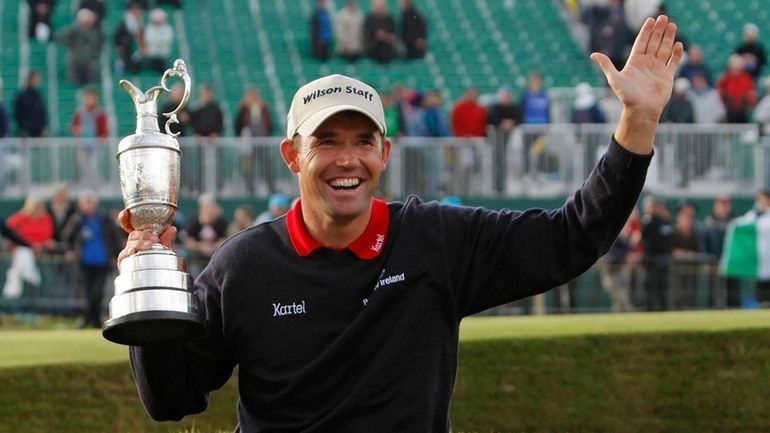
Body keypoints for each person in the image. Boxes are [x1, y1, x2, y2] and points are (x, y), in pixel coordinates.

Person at [118, 16, 682, 431]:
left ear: (384, 152)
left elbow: (571, 237)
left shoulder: (435, 240)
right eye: (328, 142)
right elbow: (172, 399)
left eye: (363, 141)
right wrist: (147, 294)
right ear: (292, 155)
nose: (348, 160)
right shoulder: (243, 267)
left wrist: (638, 119)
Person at [62, 191, 122, 328]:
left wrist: (115, 255)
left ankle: (92, 318)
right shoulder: (77, 220)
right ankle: (91, 318)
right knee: (87, 293)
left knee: (98, 292)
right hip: (84, 262)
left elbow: (115, 238)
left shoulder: (104, 219)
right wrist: (69, 251)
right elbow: (67, 238)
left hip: (102, 262)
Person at [235, 88, 274, 194]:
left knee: (266, 166)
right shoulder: (243, 110)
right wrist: (242, 108)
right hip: (248, 144)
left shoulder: (263, 108)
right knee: (248, 168)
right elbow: (238, 126)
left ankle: (271, 188)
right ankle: (249, 189)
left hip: (261, 143)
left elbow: (270, 125)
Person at [641, 195, 674, 311]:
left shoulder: (665, 221)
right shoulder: (647, 221)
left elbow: (669, 238)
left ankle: (663, 309)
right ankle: (649, 310)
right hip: (650, 259)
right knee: (650, 286)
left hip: (663, 258)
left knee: (663, 286)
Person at [71, 87, 109, 188]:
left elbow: (103, 129)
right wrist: (77, 129)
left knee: (93, 166)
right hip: (82, 142)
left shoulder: (100, 112)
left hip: (94, 143)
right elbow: (73, 126)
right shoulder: (80, 111)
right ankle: (83, 186)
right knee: (82, 165)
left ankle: (94, 186)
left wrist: (102, 137)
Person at [54, 8, 102, 86]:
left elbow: (96, 47)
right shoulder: (73, 30)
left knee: (91, 87)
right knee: (73, 86)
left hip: (89, 65)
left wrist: (94, 58)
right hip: (74, 64)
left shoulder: (93, 32)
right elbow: (59, 36)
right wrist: (77, 26)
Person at [715, 54, 756, 123]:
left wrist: (747, 102)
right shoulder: (724, 77)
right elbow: (719, 92)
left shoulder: (747, 78)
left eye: (738, 66)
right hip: (728, 109)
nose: (736, 68)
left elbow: (751, 94)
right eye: (734, 66)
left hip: (743, 109)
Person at [14, 70, 47, 138]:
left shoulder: (39, 95)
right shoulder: (21, 96)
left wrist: (43, 127)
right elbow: (17, 114)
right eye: (35, 79)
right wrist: (23, 128)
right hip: (26, 132)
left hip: (38, 132)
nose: (37, 81)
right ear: (29, 79)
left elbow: (42, 113)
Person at [113, 3, 144, 75]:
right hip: (125, 49)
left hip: (135, 49)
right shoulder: (124, 23)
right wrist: (119, 46)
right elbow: (117, 36)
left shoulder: (140, 23)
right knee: (123, 66)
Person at [143, 8, 174, 73]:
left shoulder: (167, 29)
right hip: (151, 57)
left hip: (162, 57)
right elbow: (148, 39)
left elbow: (166, 40)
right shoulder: (150, 28)